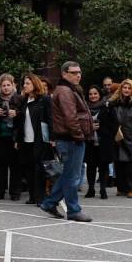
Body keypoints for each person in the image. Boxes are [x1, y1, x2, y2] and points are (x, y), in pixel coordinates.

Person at [40, 61, 93, 222]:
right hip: (71, 140)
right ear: (64, 74)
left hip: (70, 139)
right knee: (72, 177)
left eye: (79, 72)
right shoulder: (65, 91)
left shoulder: (69, 89)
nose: (78, 75)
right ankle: (73, 210)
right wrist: (79, 136)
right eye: (74, 72)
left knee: (68, 175)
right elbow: (70, 118)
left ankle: (49, 203)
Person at [16, 73, 52, 205]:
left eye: (27, 83)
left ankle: (40, 197)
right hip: (26, 140)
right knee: (28, 169)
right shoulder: (23, 100)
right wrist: (17, 139)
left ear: (35, 84)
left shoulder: (44, 100)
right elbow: (20, 122)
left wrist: (53, 138)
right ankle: (32, 196)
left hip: (40, 140)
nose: (24, 86)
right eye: (24, 84)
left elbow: (50, 119)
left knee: (39, 169)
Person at [0, 73, 23, 200]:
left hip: (14, 137)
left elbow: (24, 115)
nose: (6, 88)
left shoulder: (19, 99)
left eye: (8, 85)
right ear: (0, 87)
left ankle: (15, 193)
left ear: (13, 86)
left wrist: (16, 113)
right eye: (4, 85)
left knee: (15, 166)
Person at [85, 85, 115, 199]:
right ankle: (91, 189)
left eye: (95, 93)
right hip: (89, 142)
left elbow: (115, 123)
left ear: (99, 94)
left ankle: (103, 189)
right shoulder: (84, 108)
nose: (93, 96)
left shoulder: (107, 106)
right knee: (90, 167)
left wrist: (103, 129)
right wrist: (90, 127)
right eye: (90, 94)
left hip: (104, 142)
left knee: (103, 167)